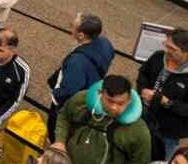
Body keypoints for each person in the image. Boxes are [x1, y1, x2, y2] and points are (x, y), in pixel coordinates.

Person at [52, 75, 151, 164]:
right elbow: (64, 116)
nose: (114, 108)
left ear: (129, 100)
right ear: (100, 93)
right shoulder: (81, 101)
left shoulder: (139, 132)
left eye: (120, 103)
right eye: (110, 101)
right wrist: (60, 141)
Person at [48, 13, 114, 140]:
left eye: (73, 25)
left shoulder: (77, 62)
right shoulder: (105, 43)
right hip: (89, 92)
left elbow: (69, 91)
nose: (70, 25)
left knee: (55, 135)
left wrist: (55, 94)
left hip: (66, 107)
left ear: (81, 35)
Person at [137, 28, 188, 160]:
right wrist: (142, 90)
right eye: (166, 45)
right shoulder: (158, 57)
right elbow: (143, 74)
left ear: (186, 52)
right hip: (142, 118)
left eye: (172, 48)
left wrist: (167, 102)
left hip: (167, 134)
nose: (166, 50)